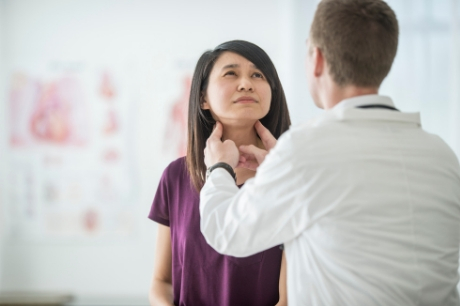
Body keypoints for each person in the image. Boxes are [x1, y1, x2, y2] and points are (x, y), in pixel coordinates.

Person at [200, 1, 460, 305]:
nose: (247, 84)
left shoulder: (305, 150)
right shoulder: (442, 155)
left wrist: (219, 168)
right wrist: (280, 169)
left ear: (318, 60)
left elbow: (226, 232)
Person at [148, 40, 291, 306]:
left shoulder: (289, 178)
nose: (246, 83)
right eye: (231, 73)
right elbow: (161, 282)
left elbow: (289, 299)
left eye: (258, 75)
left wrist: (283, 176)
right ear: (203, 98)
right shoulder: (176, 176)